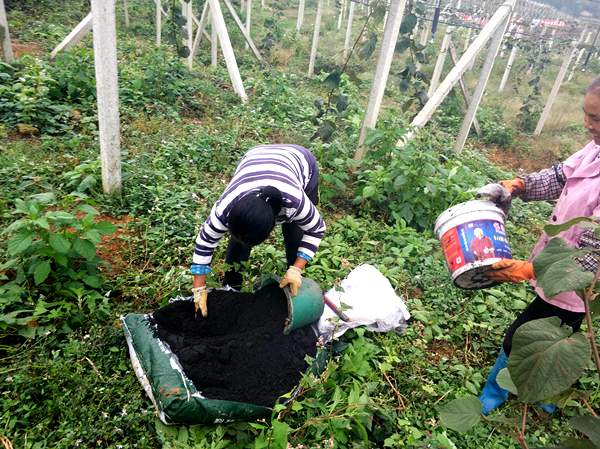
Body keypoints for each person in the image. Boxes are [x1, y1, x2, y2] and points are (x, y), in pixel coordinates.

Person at [476, 75, 600, 415]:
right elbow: (561, 176)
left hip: (575, 284)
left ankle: (495, 392)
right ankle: (547, 393)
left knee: (524, 335)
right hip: (555, 271)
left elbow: (592, 257)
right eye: (587, 114)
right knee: (560, 337)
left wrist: (526, 269)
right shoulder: (596, 148)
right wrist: (519, 185)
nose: (588, 125)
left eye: (598, 119)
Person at [190, 144, 326, 317]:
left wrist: (296, 269)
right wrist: (199, 289)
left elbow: (316, 229)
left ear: (270, 227)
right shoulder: (225, 208)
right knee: (239, 242)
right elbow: (204, 243)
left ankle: (293, 275)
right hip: (256, 155)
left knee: (294, 232)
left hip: (301, 160)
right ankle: (232, 286)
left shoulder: (296, 203)